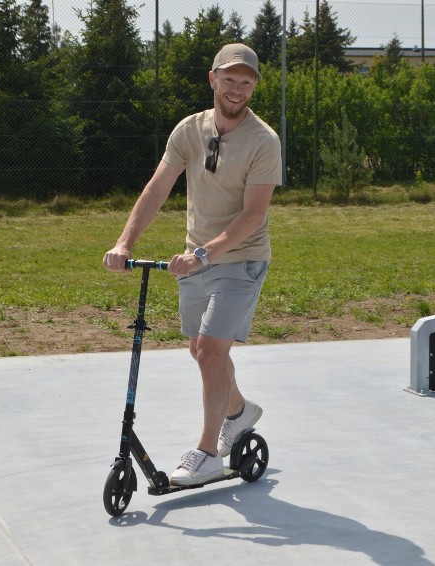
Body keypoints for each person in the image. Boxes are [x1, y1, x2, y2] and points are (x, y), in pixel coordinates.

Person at [102, 43, 282, 486]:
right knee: (198, 350)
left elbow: (253, 216)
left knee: (210, 350)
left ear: (254, 86)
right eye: (229, 79)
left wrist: (204, 254)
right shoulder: (189, 130)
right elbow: (158, 187)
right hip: (196, 261)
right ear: (213, 79)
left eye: (246, 81)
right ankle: (240, 412)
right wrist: (125, 242)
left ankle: (206, 454)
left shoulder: (264, 141)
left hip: (240, 260)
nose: (237, 89)